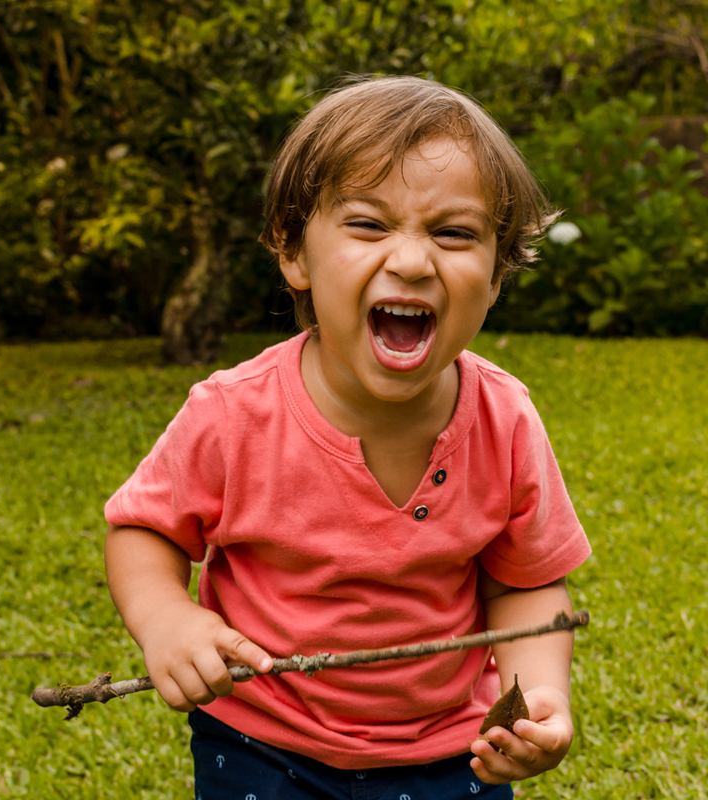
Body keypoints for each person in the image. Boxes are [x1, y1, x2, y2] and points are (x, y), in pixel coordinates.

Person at [103, 76, 591, 800]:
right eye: (368, 224)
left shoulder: (505, 419)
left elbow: (524, 581)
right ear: (294, 253)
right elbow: (145, 530)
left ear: (494, 279)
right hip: (263, 741)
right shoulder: (233, 414)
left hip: (453, 750)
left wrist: (538, 695)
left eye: (454, 234)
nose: (413, 261)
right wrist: (167, 618)